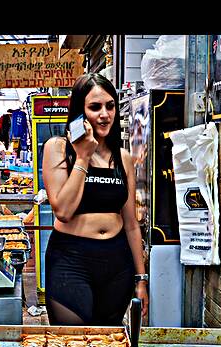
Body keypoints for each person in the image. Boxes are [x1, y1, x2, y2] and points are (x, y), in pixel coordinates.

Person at [41, 73, 149, 326]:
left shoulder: (123, 158)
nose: (104, 114)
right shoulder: (58, 148)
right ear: (80, 111)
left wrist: (141, 279)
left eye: (110, 106)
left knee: (109, 344)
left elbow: (132, 224)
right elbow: (64, 211)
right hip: (71, 260)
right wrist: (82, 157)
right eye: (95, 107)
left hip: (116, 263)